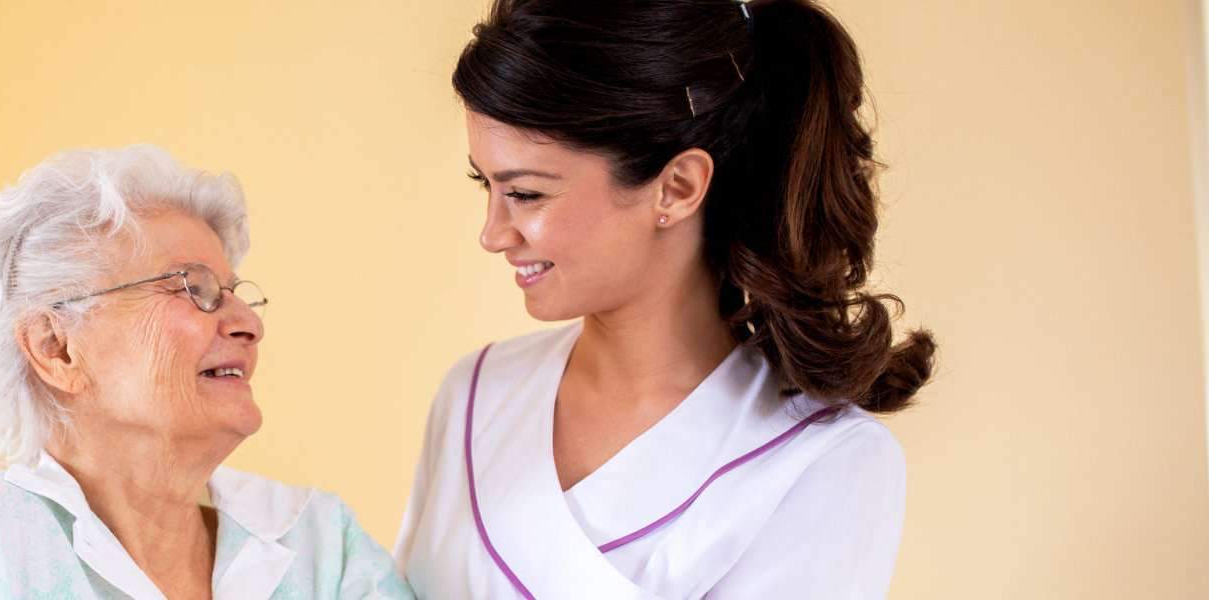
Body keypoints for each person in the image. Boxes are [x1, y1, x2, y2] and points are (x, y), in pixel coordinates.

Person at [394, 1, 937, 598]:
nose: (493, 234)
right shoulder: (475, 393)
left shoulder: (822, 463)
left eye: (525, 193)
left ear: (677, 188)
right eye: (485, 183)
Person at [0, 144, 412, 599]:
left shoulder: (320, 545)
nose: (247, 323)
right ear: (57, 348)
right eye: (195, 288)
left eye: (238, 293)